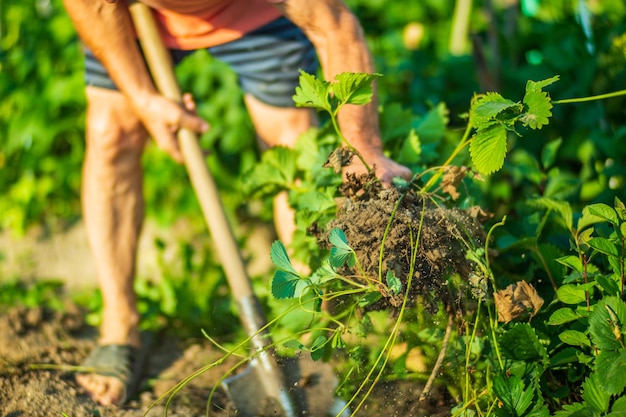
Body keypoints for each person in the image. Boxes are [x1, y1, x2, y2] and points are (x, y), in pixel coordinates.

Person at [63, 0, 411, 406]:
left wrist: (363, 147)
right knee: (111, 132)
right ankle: (119, 325)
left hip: (251, 12)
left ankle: (312, 333)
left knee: (293, 144)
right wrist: (142, 98)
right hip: (130, 15)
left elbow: (334, 24)